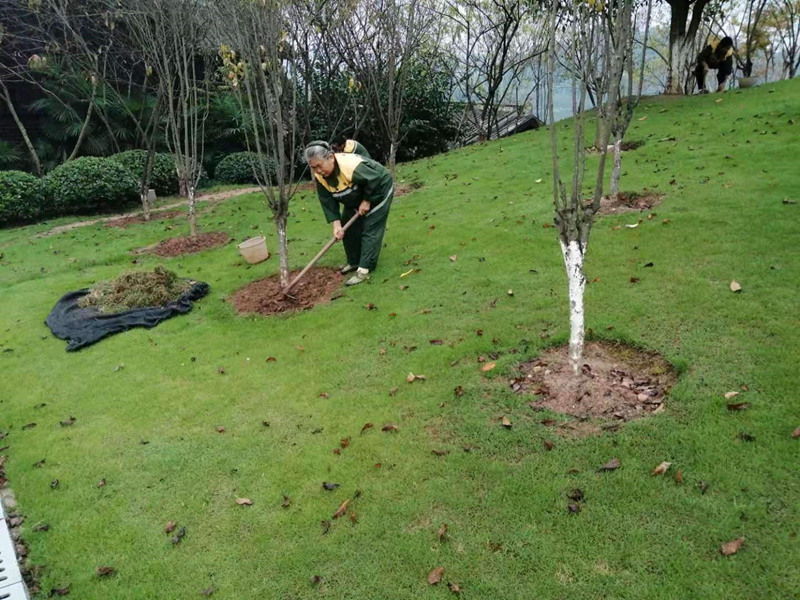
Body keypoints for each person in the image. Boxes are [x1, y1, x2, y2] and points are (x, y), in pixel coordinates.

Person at [305, 141, 393, 286]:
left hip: (379, 188)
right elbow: (327, 201)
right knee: (348, 225)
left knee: (371, 227)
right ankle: (354, 262)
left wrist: (366, 200)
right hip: (356, 193)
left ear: (331, 157)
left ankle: (364, 269)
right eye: (313, 168)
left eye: (320, 166)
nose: (318, 171)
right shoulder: (321, 178)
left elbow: (374, 178)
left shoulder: (350, 166)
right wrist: (336, 225)